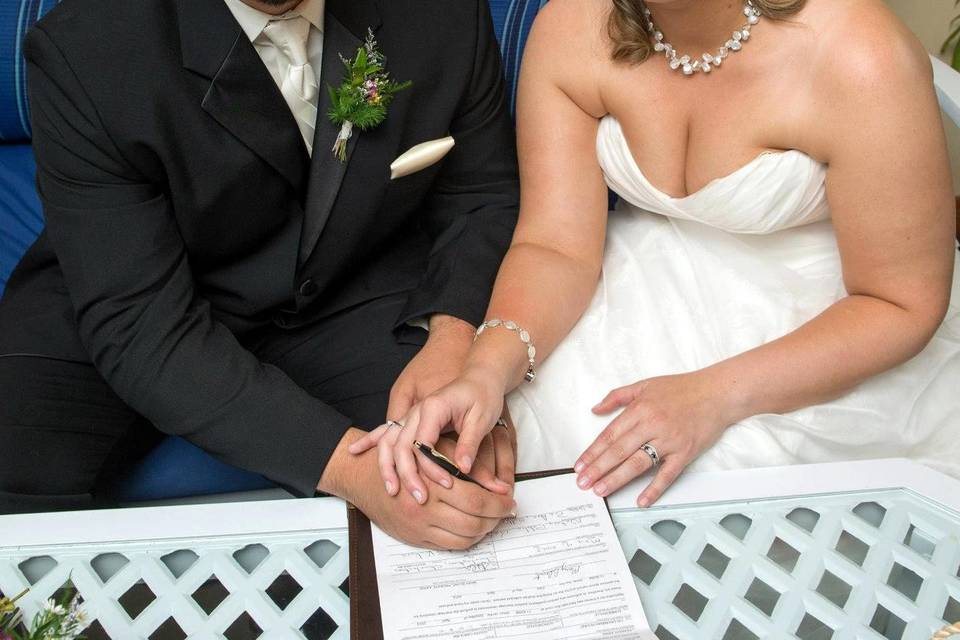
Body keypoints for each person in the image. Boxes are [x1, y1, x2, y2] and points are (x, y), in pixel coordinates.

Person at [357, 0, 960, 510]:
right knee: (509, 458)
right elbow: (556, 243)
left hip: (831, 327)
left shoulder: (860, 52)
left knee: (720, 483)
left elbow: (900, 302)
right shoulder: (574, 22)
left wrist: (714, 395)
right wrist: (487, 366)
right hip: (640, 284)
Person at [0, 0, 521, 550]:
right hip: (130, 290)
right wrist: (348, 467)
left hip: (348, 285)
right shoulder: (86, 49)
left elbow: (479, 196)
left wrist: (451, 339)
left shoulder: (445, 11)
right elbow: (140, 326)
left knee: (446, 483)